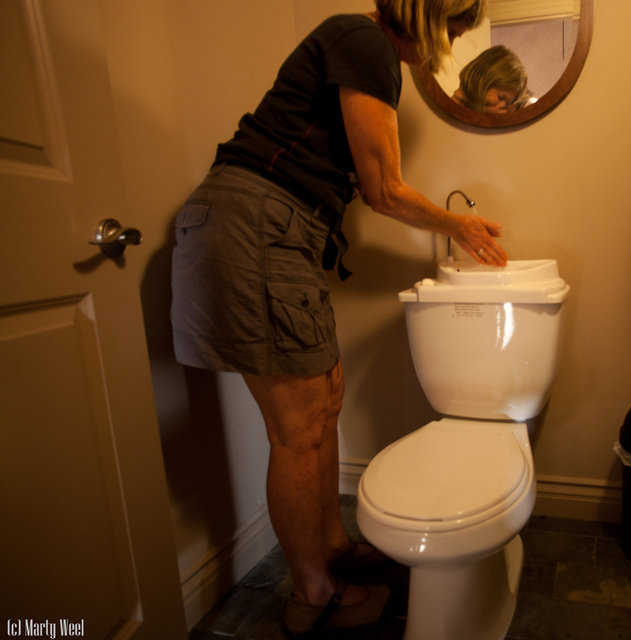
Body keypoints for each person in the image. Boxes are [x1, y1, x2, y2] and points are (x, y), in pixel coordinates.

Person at [170, 1, 507, 636]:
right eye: (460, 18)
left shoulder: (372, 54)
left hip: (281, 231)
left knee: (325, 398)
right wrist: (456, 223)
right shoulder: (363, 39)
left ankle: (332, 548)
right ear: (430, 9)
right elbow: (384, 190)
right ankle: (312, 594)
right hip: (258, 224)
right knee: (297, 429)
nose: (461, 34)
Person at [452, 44, 532, 114]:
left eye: (507, 104)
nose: (504, 111)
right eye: (501, 97)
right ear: (482, 81)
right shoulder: (452, 110)